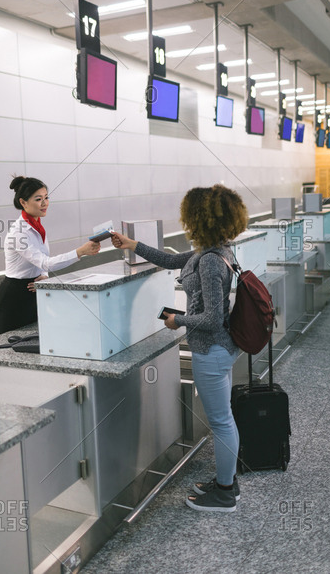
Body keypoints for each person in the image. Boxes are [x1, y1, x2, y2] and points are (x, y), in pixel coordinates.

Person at [111, 184, 248, 512]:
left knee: (220, 421)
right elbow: (170, 259)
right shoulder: (215, 251)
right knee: (223, 418)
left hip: (210, 349)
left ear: (199, 219)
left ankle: (226, 493)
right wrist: (133, 244)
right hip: (219, 349)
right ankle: (228, 481)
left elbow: (213, 318)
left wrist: (180, 320)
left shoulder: (210, 261)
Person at [0, 176, 100, 335]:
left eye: (46, 198)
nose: (45, 203)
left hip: (33, 292)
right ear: (23, 202)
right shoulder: (18, 232)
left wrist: (44, 275)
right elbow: (45, 262)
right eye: (38, 199)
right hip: (13, 299)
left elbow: (41, 262)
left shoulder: (37, 226)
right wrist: (80, 252)